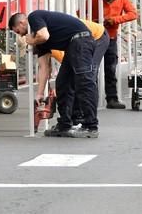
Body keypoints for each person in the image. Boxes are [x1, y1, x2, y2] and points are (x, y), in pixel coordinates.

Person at [9, 10, 98, 138]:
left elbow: (44, 36)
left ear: (23, 22)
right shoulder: (39, 41)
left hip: (81, 41)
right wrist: (39, 93)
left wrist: (33, 41)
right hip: (73, 46)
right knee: (62, 83)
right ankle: (64, 124)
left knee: (84, 83)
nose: (22, 36)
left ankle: (91, 126)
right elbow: (44, 68)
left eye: (18, 31)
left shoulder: (34, 17)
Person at [35, 18, 109, 127]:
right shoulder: (44, 41)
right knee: (66, 80)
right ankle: (71, 118)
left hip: (98, 36)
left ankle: (84, 118)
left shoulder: (50, 44)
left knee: (85, 76)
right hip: (80, 39)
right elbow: (46, 68)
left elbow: (72, 65)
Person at [86, 0, 137, 109]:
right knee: (93, 68)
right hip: (95, 37)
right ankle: (92, 99)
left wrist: (115, 20)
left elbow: (133, 14)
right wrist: (94, 21)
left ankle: (112, 98)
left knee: (110, 68)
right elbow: (80, 13)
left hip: (111, 37)